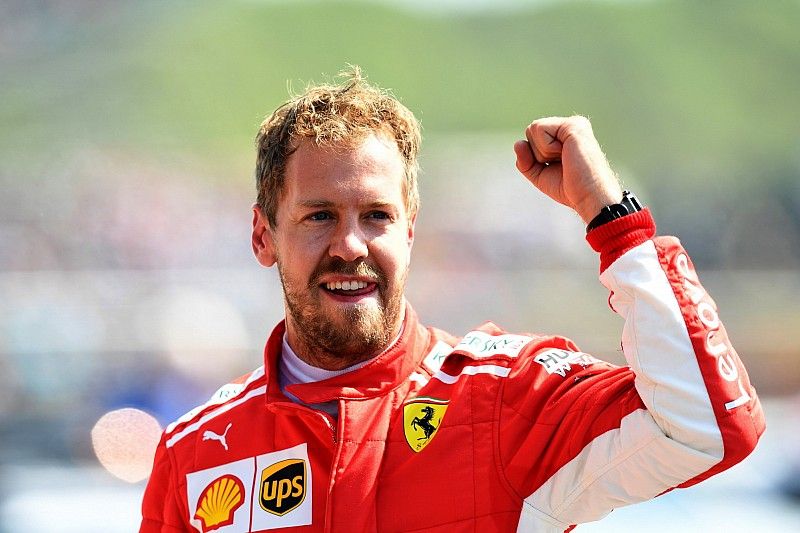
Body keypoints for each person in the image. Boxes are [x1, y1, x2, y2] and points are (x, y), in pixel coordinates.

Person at [140, 69, 765, 532]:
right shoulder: (195, 453)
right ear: (262, 235)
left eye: (377, 216)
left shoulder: (504, 400)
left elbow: (707, 428)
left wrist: (615, 222)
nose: (350, 245)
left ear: (411, 230)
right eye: (319, 216)